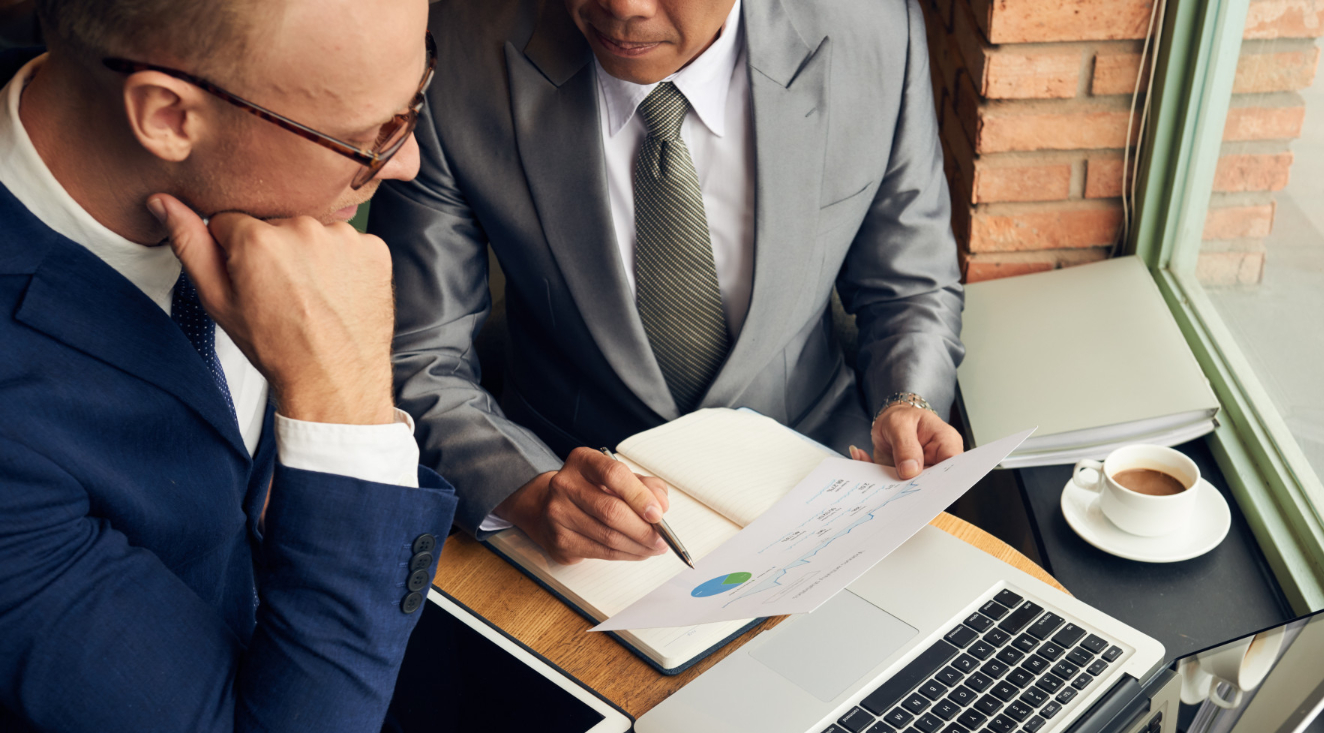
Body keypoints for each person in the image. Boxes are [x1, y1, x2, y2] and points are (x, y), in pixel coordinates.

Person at [0, 0, 457, 733]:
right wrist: (343, 402)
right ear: (167, 114)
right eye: (370, 138)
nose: (410, 166)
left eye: (416, 100)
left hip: (292, 652)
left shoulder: (238, 161)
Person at [369, 0, 967, 565]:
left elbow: (912, 288)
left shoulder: (878, 33)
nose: (624, 6)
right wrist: (523, 487)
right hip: (570, 503)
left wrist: (907, 399)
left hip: (821, 482)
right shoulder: (449, 53)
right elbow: (417, 354)